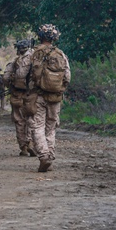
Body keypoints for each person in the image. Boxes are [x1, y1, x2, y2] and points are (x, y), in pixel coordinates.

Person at [28, 24, 71, 172]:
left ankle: (44, 155)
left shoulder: (33, 54)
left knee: (37, 126)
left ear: (39, 36)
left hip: (37, 95)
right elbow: (67, 77)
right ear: (55, 38)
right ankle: (50, 156)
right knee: (51, 127)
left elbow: (23, 77)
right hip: (55, 97)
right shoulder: (61, 54)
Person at [5, 38, 35, 156]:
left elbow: (6, 78)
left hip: (17, 94)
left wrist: (11, 86)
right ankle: (31, 142)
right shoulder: (36, 58)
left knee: (19, 120)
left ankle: (23, 147)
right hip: (32, 94)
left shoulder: (15, 61)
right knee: (32, 119)